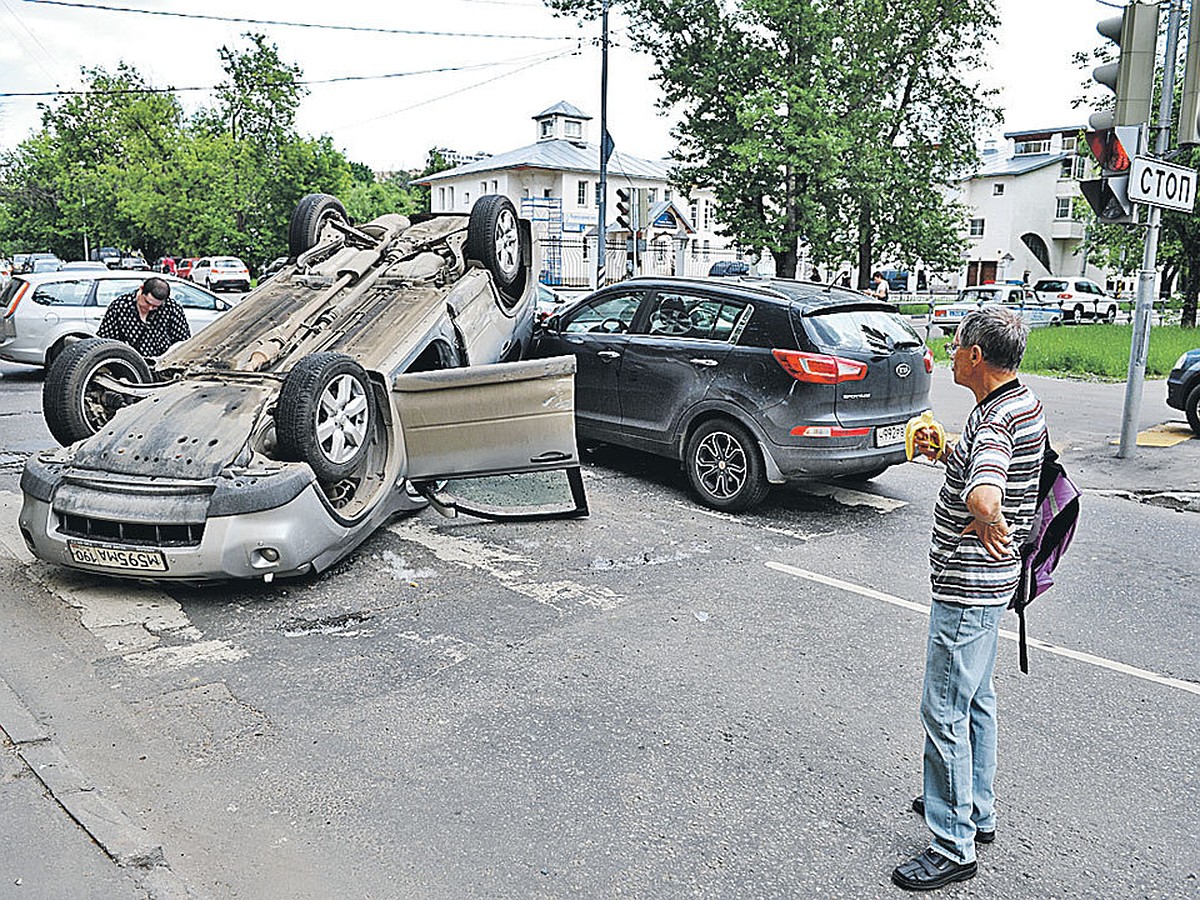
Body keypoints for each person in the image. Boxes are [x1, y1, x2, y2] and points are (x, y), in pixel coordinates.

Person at [892, 307, 1047, 892]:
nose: (951, 354)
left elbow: (987, 491)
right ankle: (976, 810)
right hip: (994, 581)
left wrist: (986, 512)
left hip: (968, 586)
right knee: (977, 699)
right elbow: (985, 461)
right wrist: (948, 451)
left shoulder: (996, 423)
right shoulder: (1017, 403)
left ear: (976, 357)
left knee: (944, 710)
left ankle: (951, 843)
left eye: (956, 347)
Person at [97, 276, 190, 359]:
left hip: (163, 365)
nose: (150, 308)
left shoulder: (172, 308)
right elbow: (105, 341)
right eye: (147, 302)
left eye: (156, 306)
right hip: (131, 366)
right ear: (141, 289)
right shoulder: (120, 306)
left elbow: (184, 343)